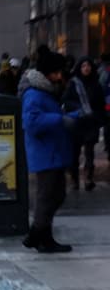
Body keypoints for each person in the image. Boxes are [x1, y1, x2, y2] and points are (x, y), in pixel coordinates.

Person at [20, 46, 80, 253]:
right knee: (47, 196)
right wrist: (59, 119)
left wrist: (71, 117)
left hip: (52, 151)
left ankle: (41, 235)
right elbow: (31, 122)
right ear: (48, 73)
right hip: (45, 153)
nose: (60, 76)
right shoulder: (34, 94)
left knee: (56, 194)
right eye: (57, 72)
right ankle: (37, 235)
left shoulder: (46, 91)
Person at [64, 56, 104, 191]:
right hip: (77, 122)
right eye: (83, 66)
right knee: (75, 152)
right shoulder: (73, 83)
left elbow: (100, 104)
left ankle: (88, 178)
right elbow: (66, 101)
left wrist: (99, 119)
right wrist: (79, 109)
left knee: (89, 152)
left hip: (91, 123)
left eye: (88, 65)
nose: (86, 68)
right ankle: (74, 179)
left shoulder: (96, 84)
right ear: (79, 68)